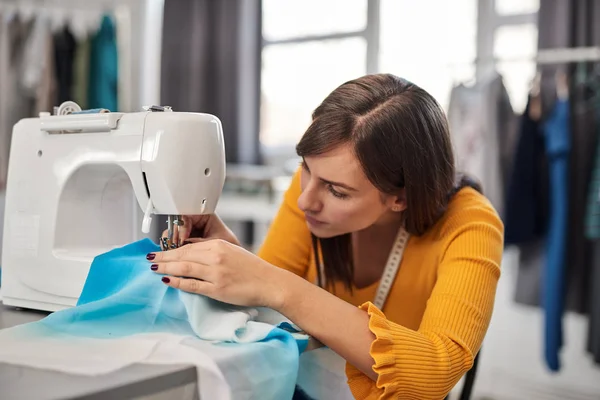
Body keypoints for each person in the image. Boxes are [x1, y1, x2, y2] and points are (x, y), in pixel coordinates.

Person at [147, 73, 504, 400]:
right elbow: (267, 310)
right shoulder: (313, 192)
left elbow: (434, 373)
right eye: (305, 167)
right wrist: (233, 258)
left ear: (401, 198)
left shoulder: (470, 224)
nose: (305, 199)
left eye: (338, 191)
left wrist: (275, 283)